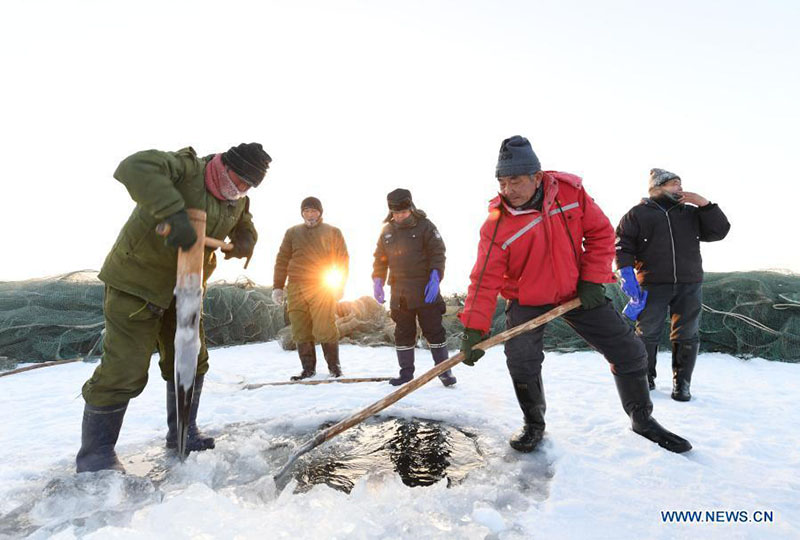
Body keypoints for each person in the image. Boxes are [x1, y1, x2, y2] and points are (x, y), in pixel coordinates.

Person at [458, 135, 692, 454]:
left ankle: (642, 419)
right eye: (502, 182)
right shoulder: (497, 226)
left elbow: (600, 233)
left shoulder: (569, 194)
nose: (507, 190)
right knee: (522, 359)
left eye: (515, 181)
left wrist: (592, 279)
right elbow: (484, 280)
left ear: (536, 177)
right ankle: (533, 424)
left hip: (577, 292)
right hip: (528, 299)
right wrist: (474, 328)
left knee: (630, 351)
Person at [77, 143, 271, 473]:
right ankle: (96, 455)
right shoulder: (186, 169)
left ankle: (183, 433)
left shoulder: (237, 200)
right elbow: (133, 166)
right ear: (223, 165)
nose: (240, 190)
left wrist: (246, 238)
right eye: (238, 180)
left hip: (186, 288)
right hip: (137, 283)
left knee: (191, 359)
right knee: (125, 368)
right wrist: (173, 214)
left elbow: (244, 221)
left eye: (247, 186)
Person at [615, 168, 730, 400]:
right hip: (652, 283)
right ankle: (645, 378)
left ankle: (682, 384)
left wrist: (704, 204)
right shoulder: (637, 214)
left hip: (689, 282)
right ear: (657, 187)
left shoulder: (690, 213)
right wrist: (625, 272)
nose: (679, 187)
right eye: (673, 184)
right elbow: (622, 245)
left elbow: (720, 231)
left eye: (680, 183)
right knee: (647, 332)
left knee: (687, 333)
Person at [372, 189, 456, 387]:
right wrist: (377, 280)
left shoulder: (426, 226)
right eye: (396, 213)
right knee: (403, 333)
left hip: (426, 289)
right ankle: (406, 373)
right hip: (400, 293)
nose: (400, 216)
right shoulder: (387, 232)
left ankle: (444, 372)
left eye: (403, 212)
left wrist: (436, 276)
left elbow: (438, 252)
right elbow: (379, 260)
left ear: (411, 207)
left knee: (434, 331)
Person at [272, 197, 349, 380]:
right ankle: (308, 370)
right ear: (302, 213)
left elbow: (342, 260)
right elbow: (282, 260)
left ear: (320, 212)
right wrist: (278, 286)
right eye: (306, 211)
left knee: (325, 326)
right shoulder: (292, 232)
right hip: (296, 287)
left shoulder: (333, 231)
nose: (310, 214)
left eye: (313, 211)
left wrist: (340, 284)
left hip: (321, 285)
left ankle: (334, 368)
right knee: (300, 328)